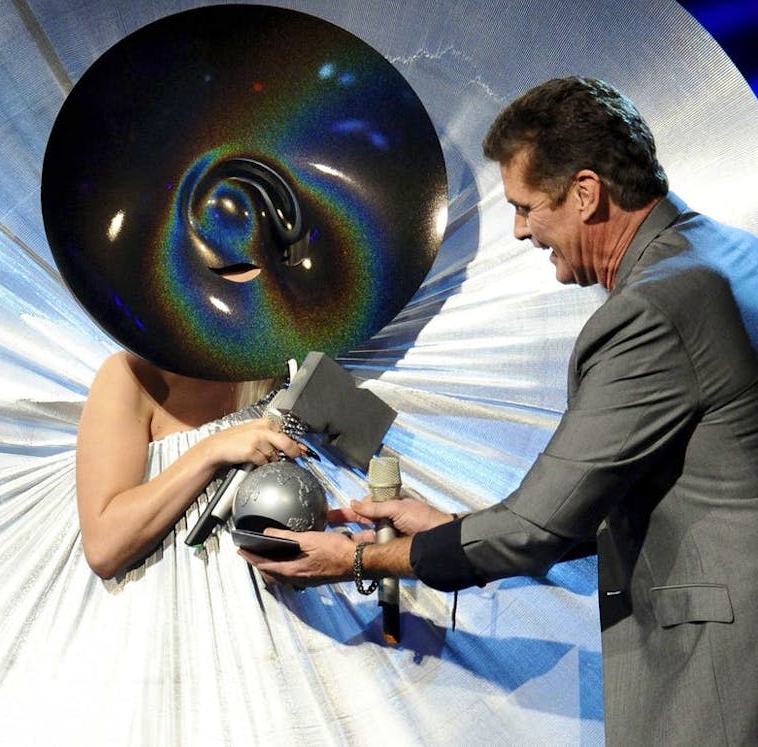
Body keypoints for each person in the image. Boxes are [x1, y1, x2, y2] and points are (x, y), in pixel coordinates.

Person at [240, 76, 758, 745]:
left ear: (586, 193)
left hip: (719, 675)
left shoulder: (652, 309)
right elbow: (615, 497)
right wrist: (451, 526)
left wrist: (360, 560)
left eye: (525, 207)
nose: (518, 231)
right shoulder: (728, 253)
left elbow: (537, 526)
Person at [75, 349, 304, 579]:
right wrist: (211, 450)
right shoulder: (135, 372)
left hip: (263, 597)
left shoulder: (294, 378)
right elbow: (103, 547)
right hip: (161, 594)